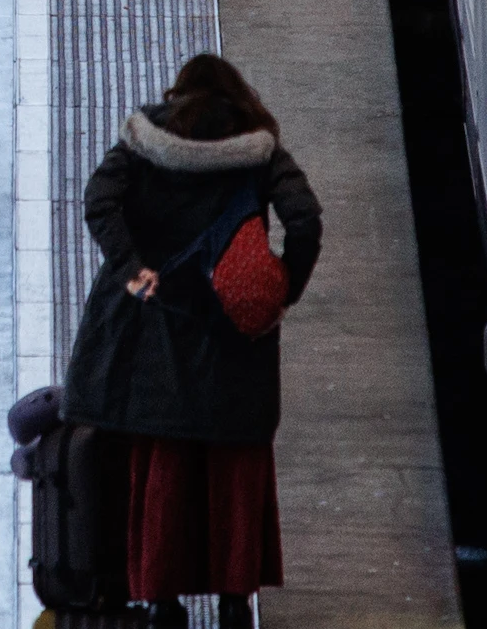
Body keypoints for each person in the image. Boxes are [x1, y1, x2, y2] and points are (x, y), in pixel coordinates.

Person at [59, 56, 324, 626]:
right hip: (235, 336)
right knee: (234, 465)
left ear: (179, 94)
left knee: (164, 464)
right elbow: (305, 219)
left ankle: (161, 602)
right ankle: (234, 602)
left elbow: (98, 199)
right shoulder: (259, 147)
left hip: (157, 330)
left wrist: (133, 268)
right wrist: (283, 288)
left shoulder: (145, 139)